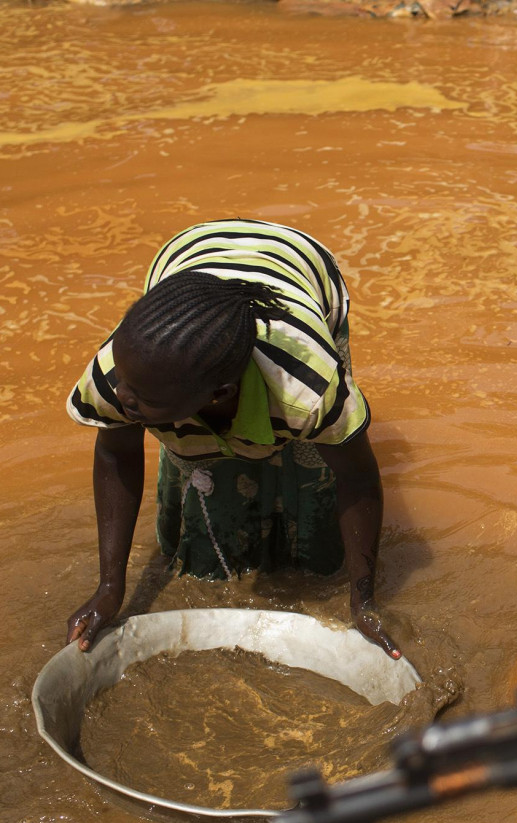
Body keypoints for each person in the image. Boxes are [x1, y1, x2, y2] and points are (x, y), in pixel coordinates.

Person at [66, 219, 399, 659]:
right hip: (184, 258)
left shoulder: (308, 389)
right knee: (191, 459)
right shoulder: (121, 372)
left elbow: (356, 478)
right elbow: (116, 454)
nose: (121, 396)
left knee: (311, 470)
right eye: (124, 385)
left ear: (220, 395)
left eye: (141, 397)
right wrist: (110, 588)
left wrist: (364, 602)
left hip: (304, 267)